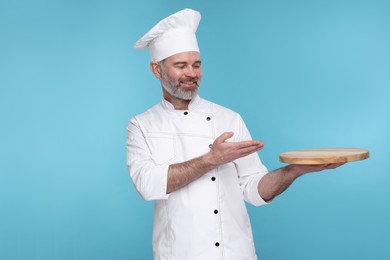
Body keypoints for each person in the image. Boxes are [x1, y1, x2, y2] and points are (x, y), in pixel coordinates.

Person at [126, 8, 344, 260]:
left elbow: (253, 188)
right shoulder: (141, 125)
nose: (191, 73)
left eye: (196, 65)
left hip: (235, 252)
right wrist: (211, 159)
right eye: (181, 65)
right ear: (157, 69)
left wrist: (294, 170)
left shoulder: (229, 118)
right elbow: (148, 184)